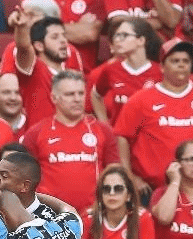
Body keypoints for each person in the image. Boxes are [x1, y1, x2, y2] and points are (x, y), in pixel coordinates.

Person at [114, 38, 193, 199]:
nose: (182, 65)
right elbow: (122, 137)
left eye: (186, 61)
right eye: (175, 60)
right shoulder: (141, 100)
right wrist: (129, 176)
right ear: (162, 67)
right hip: (152, 190)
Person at [21, 69, 120, 215]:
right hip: (51, 217)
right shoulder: (36, 133)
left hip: (93, 215)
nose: (77, 99)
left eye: (81, 93)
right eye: (70, 94)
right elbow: (25, 179)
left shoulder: (102, 130)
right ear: (54, 98)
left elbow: (115, 172)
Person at [91, 18, 161, 126]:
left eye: (124, 35)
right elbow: (95, 95)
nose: (118, 40)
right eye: (116, 35)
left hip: (151, 137)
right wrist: (105, 124)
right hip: (120, 138)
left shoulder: (160, 72)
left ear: (141, 40)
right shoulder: (110, 70)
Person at [82, 166, 155, 239]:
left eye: (118, 189)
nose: (112, 193)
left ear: (129, 195)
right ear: (101, 195)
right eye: (106, 189)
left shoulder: (142, 217)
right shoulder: (88, 217)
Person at [11, 13, 70, 128]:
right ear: (39, 46)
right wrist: (21, 27)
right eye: (55, 37)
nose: (63, 41)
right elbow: (23, 47)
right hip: (38, 142)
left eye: (64, 35)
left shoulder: (71, 75)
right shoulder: (34, 69)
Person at [151, 140, 193, 239]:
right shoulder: (162, 193)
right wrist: (174, 182)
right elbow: (164, 217)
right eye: (191, 159)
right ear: (178, 164)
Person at [105, 0, 181, 39]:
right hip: (131, 52)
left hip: (167, 53)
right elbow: (118, 22)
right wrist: (157, 22)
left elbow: (171, 21)